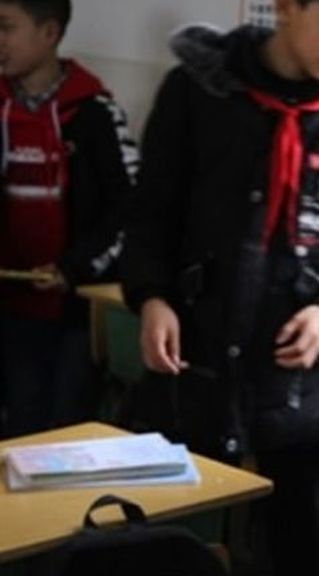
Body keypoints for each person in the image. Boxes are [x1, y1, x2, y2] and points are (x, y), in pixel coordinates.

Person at [120, 0, 319, 574]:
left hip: (297, 376)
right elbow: (150, 212)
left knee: (301, 541)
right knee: (163, 542)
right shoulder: (199, 91)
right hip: (193, 355)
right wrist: (151, 297)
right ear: (287, 9)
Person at [0, 0, 137, 437]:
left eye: (6, 28)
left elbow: (128, 207)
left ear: (50, 33)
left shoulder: (95, 112)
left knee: (61, 430)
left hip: (72, 313)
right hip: (7, 306)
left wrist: (72, 269)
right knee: (16, 425)